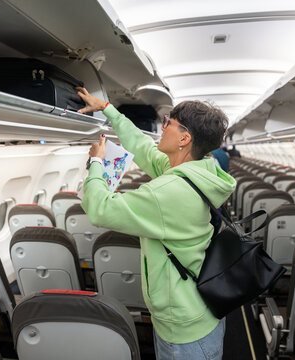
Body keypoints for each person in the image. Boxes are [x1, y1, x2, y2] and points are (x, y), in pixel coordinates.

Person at [76, 87, 236, 360]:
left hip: (184, 328)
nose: (162, 128)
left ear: (184, 138)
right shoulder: (199, 169)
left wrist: (96, 163)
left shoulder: (169, 191)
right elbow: (142, 147)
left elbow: (100, 209)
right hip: (198, 308)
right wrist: (107, 108)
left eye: (168, 124)